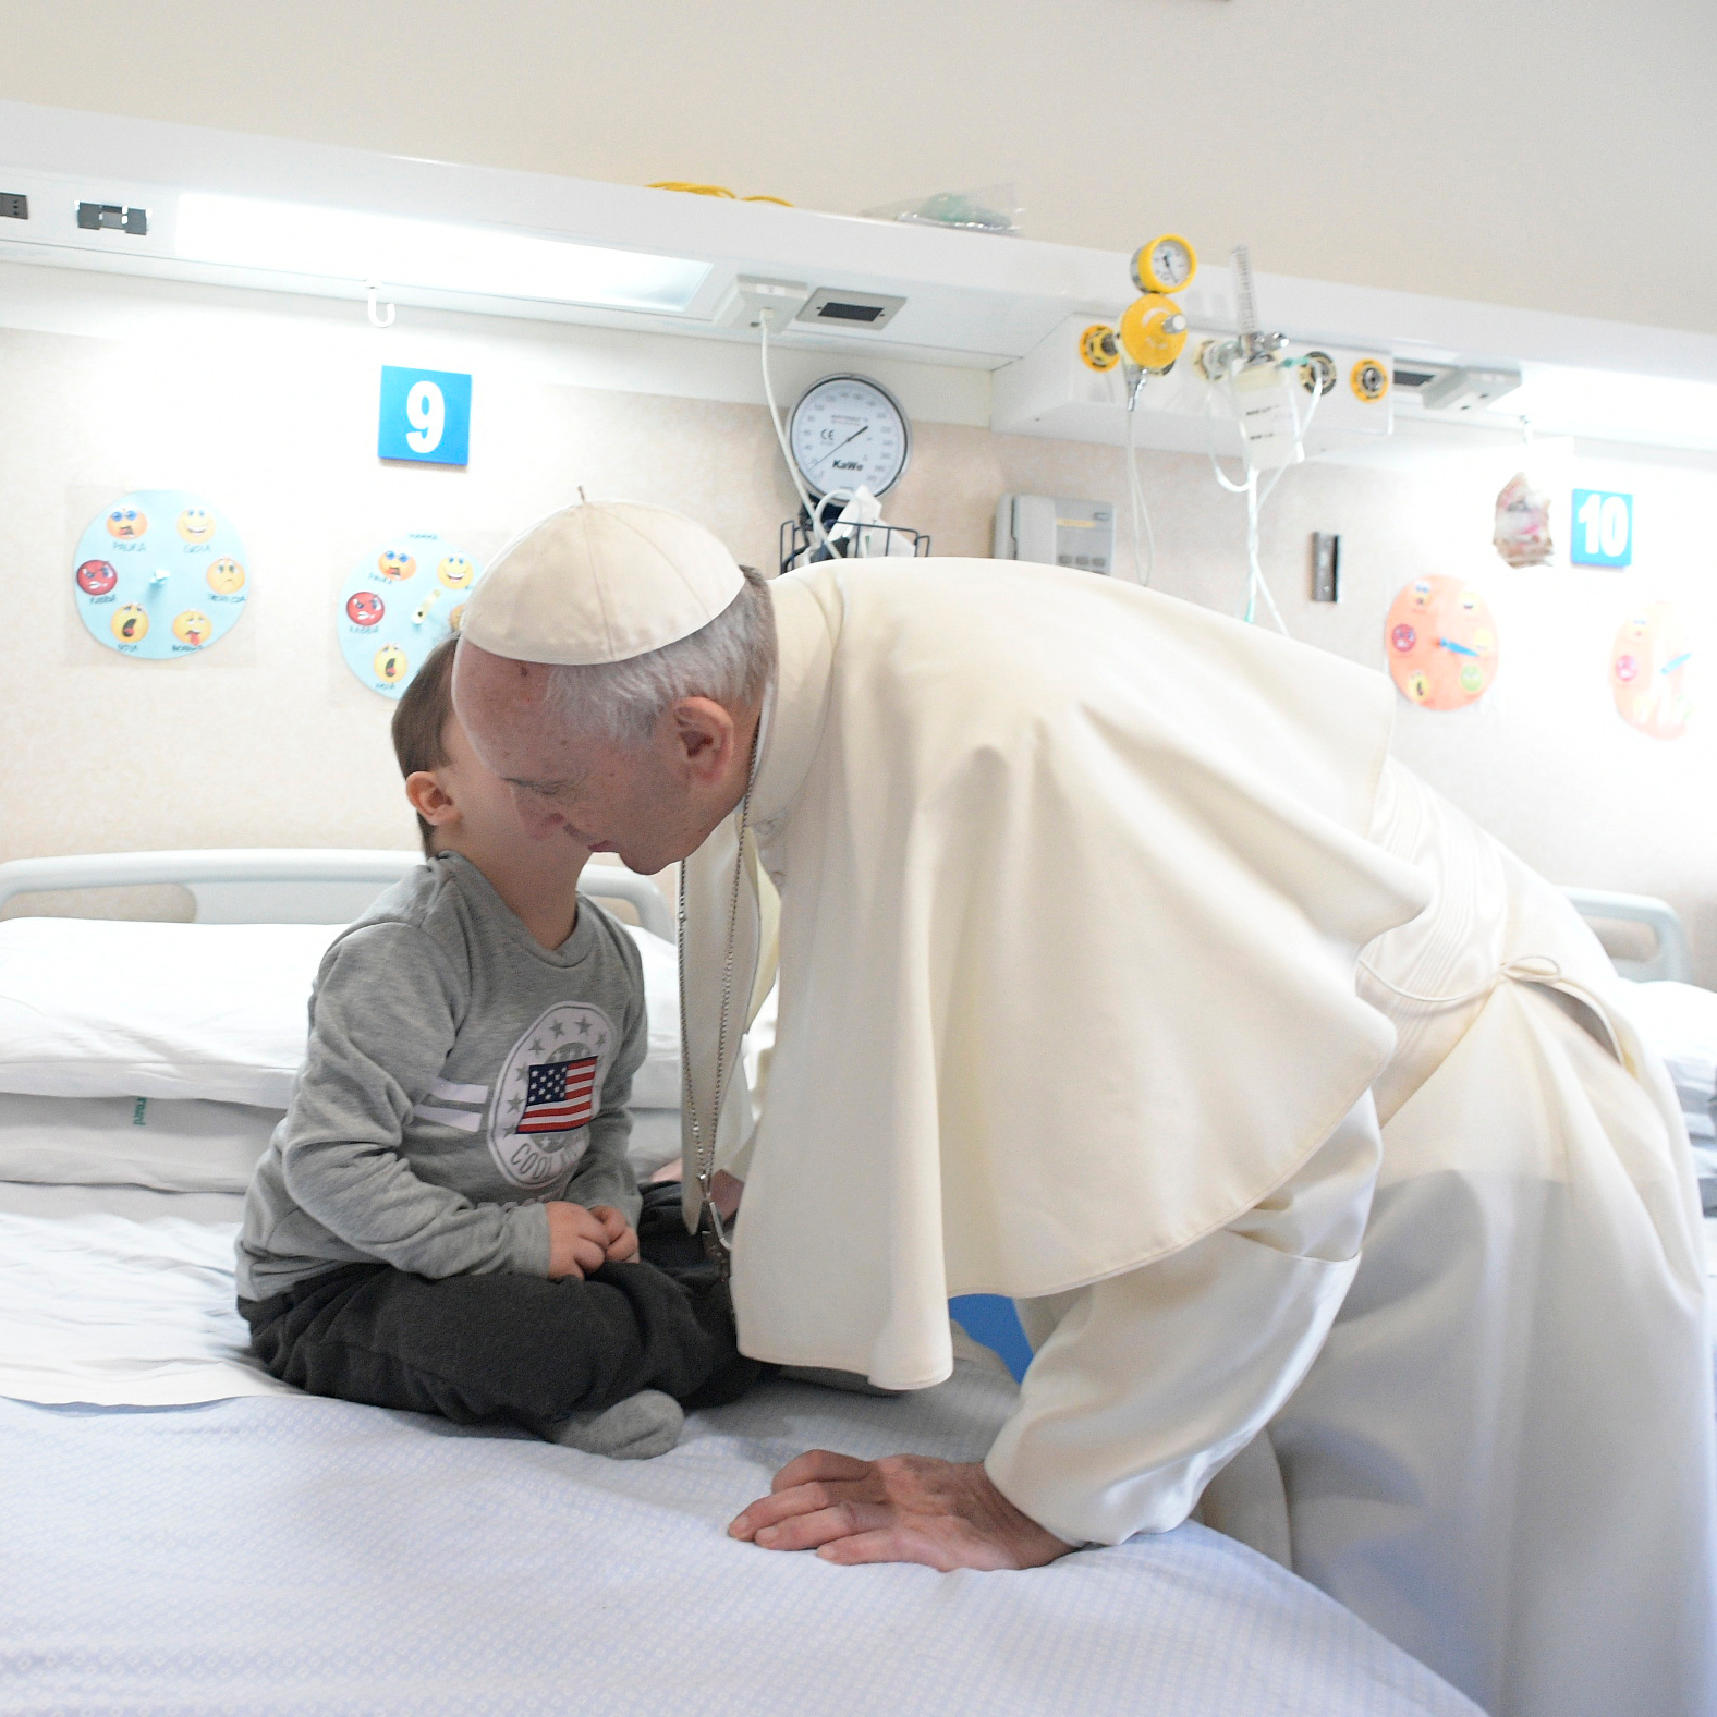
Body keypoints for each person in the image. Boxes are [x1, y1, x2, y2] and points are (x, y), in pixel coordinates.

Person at [451, 500, 1716, 1717]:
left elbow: (1269, 1167)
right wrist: (768, 1164)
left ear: (697, 740)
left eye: (548, 788)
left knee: (1441, 1642)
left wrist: (1034, 1494)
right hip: (1353, 1148)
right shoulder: (805, 672)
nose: (536, 823)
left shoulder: (1004, 752)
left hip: (1457, 1162)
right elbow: (872, 948)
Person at [235, 635, 750, 1458]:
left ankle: (700, 1327)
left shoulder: (613, 955)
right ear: (437, 796)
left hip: (528, 1243)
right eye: (517, 743)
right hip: (347, 1278)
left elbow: (601, 1127)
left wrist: (607, 1210)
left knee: (736, 1230)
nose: (562, 758)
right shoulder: (406, 951)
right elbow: (329, 1165)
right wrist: (517, 1242)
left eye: (578, 735)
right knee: (536, 1338)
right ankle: (699, 1344)